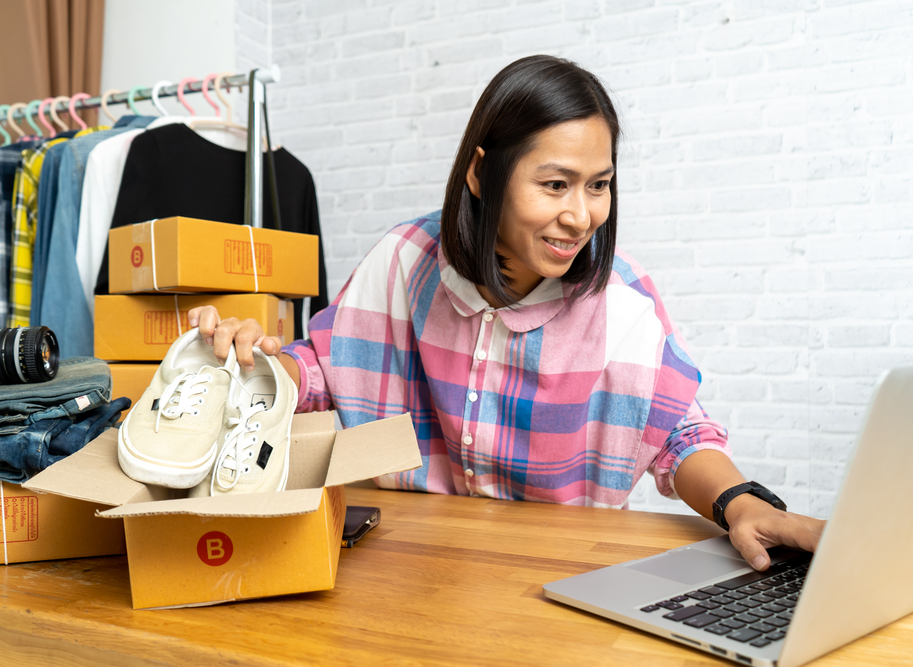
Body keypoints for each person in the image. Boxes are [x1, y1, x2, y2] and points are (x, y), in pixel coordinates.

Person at [187, 55, 823, 571]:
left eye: (598, 185)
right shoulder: (405, 261)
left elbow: (676, 430)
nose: (581, 216)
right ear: (480, 174)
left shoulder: (621, 298)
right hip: (409, 565)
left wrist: (739, 501)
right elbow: (325, 370)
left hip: (566, 571)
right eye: (555, 184)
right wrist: (255, 362)